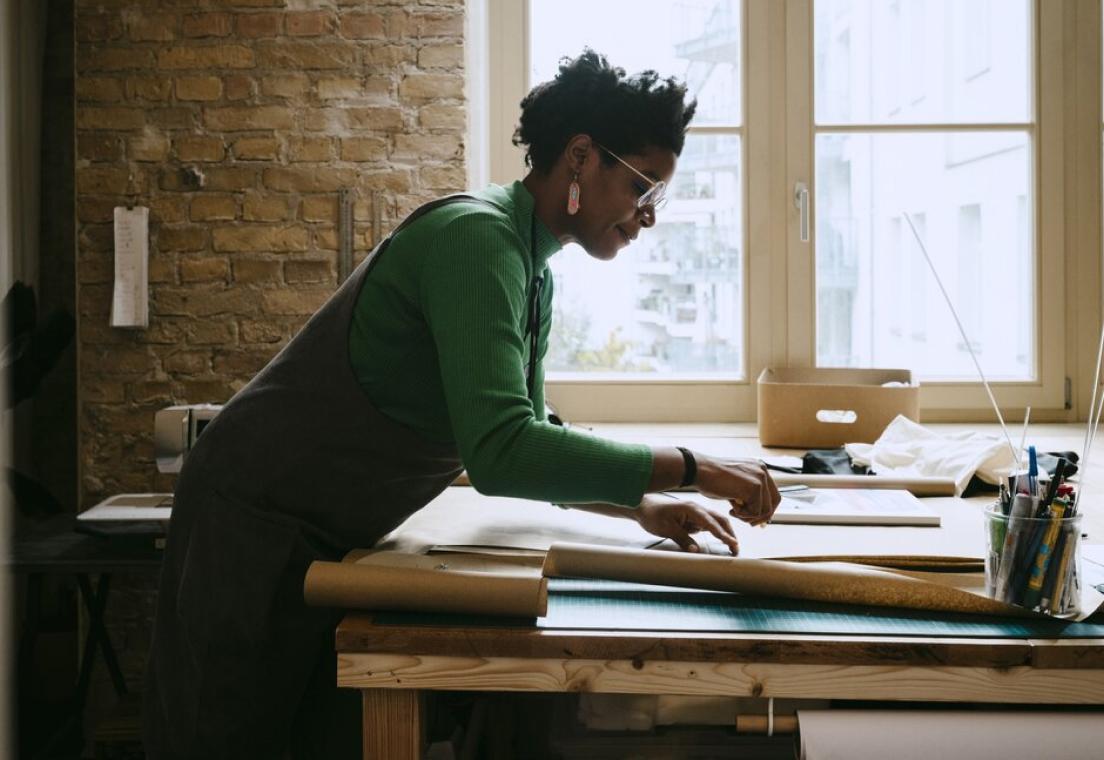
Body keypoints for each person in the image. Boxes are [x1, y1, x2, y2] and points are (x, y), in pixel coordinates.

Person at [142, 49, 781, 759]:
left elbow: (528, 431)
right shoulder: (479, 240)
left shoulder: (529, 267)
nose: (647, 218)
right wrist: (693, 467)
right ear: (580, 157)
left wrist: (641, 507)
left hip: (323, 536)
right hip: (249, 523)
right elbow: (503, 452)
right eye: (643, 187)